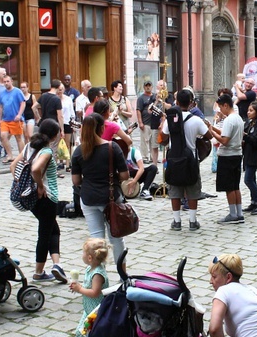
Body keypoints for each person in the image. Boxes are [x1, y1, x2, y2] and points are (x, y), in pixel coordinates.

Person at [10, 118, 66, 283]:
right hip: (46, 197)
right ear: (54, 136)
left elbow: (13, 166)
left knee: (53, 230)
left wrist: (22, 184)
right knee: (45, 233)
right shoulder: (46, 151)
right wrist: (39, 185)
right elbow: (35, 169)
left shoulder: (29, 146)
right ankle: (39, 272)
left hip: (32, 198)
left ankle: (57, 265)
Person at [71, 113, 130, 263]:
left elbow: (76, 180)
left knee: (96, 240)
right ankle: (122, 276)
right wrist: (111, 176)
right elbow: (125, 175)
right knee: (116, 238)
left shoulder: (79, 151)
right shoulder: (112, 147)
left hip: (89, 198)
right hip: (110, 198)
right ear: (102, 128)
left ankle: (98, 277)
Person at [65, 238, 123, 337]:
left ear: (90, 257)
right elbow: (88, 287)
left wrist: (80, 289)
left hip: (97, 312)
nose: (82, 256)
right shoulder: (90, 269)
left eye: (83, 253)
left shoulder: (98, 274)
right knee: (80, 332)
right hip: (88, 310)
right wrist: (78, 286)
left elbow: (95, 292)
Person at [161, 89, 212, 231]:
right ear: (191, 103)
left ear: (176, 102)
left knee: (175, 190)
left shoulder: (170, 120)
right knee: (192, 189)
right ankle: (192, 221)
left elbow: (163, 137)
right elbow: (209, 136)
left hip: (174, 158)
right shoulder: (196, 120)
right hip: (191, 159)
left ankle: (176, 222)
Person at [207, 94, 245, 224]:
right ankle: (239, 213)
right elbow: (224, 132)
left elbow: (225, 140)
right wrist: (212, 128)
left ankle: (233, 214)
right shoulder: (238, 118)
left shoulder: (229, 120)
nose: (219, 111)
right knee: (235, 186)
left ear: (226, 105)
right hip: (237, 154)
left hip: (228, 155)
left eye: (220, 108)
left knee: (229, 187)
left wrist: (211, 133)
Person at [0, 75, 26, 163]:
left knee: (18, 138)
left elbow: (23, 103)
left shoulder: (17, 91)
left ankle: (22, 156)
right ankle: (10, 155)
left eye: (7, 81)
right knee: (3, 136)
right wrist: (0, 119)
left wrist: (19, 115)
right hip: (5, 119)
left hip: (15, 119)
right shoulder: (2, 93)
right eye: (4, 82)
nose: (6, 83)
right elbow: (1, 107)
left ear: (11, 81)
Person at [136, 81, 155, 162]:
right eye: (146, 86)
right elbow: (138, 110)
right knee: (144, 141)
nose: (148, 87)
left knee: (153, 141)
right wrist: (140, 122)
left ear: (152, 87)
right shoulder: (141, 98)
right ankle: (144, 157)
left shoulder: (155, 97)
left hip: (154, 123)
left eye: (149, 85)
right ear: (144, 87)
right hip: (145, 122)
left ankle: (153, 157)